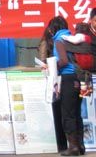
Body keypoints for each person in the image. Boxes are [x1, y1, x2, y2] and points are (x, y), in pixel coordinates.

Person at [50, 16, 84, 156]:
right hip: (78, 78)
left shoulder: (59, 40)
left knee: (68, 114)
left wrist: (52, 67)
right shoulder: (72, 38)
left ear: (53, 29)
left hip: (67, 79)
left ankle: (73, 147)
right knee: (76, 113)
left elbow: (63, 61)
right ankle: (80, 146)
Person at [39, 17, 67, 152]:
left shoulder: (57, 40)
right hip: (62, 78)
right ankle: (65, 144)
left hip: (56, 79)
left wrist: (51, 65)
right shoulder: (65, 38)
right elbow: (43, 60)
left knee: (59, 112)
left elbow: (44, 61)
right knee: (65, 112)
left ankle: (62, 145)